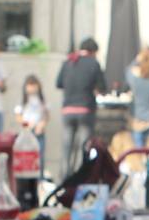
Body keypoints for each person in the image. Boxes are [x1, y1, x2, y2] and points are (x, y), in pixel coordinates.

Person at [54, 35, 104, 175]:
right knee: (84, 147)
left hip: (68, 109)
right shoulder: (93, 63)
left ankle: (64, 177)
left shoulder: (67, 62)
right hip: (85, 109)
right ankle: (82, 175)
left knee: (67, 147)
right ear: (93, 51)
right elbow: (102, 87)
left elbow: (58, 83)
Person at [15, 72, 49, 143]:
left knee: (39, 152)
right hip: (26, 131)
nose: (32, 87)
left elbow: (46, 116)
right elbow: (18, 117)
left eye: (34, 85)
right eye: (30, 85)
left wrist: (41, 125)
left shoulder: (42, 100)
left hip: (39, 131)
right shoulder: (22, 100)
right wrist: (27, 124)